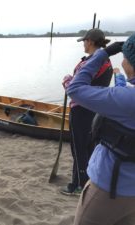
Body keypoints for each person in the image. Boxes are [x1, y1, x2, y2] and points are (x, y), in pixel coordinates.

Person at [66, 33, 135, 225]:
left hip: (108, 189)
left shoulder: (126, 100)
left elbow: (75, 89)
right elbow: (123, 98)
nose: (122, 63)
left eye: (125, 58)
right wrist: (119, 79)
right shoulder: (126, 99)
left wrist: (103, 54)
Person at [60, 29, 113, 196]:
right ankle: (89, 180)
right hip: (96, 110)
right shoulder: (106, 61)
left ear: (90, 41)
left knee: (78, 148)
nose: (83, 44)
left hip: (81, 110)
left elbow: (75, 89)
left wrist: (67, 79)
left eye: (84, 41)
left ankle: (78, 184)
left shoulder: (89, 63)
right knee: (90, 146)